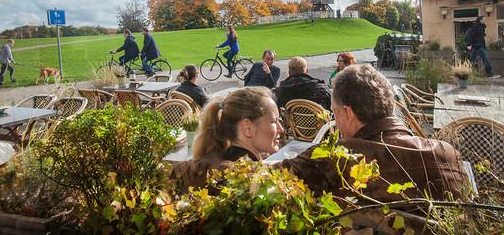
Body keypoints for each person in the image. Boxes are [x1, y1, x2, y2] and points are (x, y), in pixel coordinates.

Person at [280, 64, 467, 202]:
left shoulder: (337, 157)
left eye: (335, 114)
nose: (335, 123)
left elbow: (266, 179)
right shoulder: (448, 154)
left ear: (348, 114)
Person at [193, 86, 284, 161]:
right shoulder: (249, 177)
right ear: (247, 128)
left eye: (278, 120)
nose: (281, 129)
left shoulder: (225, 160)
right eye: (273, 121)